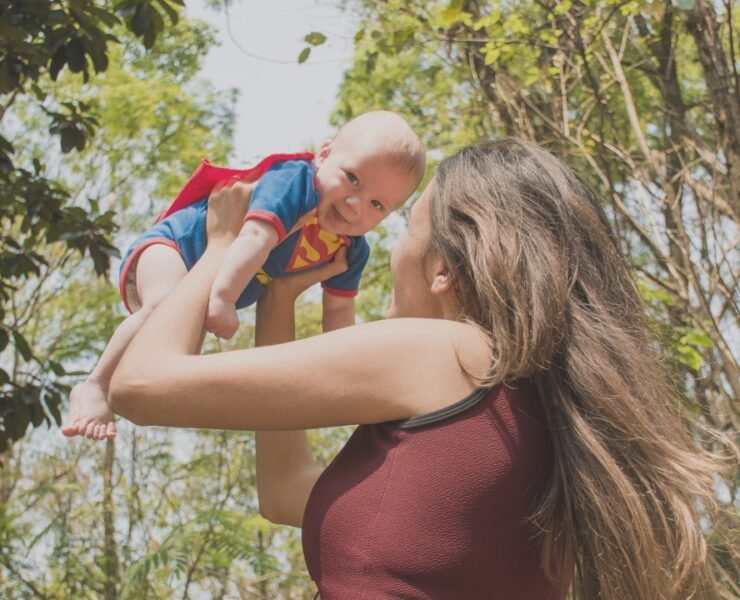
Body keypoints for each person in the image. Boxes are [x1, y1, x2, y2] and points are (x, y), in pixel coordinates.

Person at [108, 138, 721, 599]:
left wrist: (220, 246)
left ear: (443, 269)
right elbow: (286, 493)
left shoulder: (445, 352)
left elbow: (141, 385)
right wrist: (280, 297)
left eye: (406, 226)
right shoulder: (538, 409)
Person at [62, 110, 425, 441]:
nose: (355, 205)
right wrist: (223, 297)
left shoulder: (351, 249)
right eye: (352, 179)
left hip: (207, 282)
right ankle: (95, 384)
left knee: (176, 355)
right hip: (176, 246)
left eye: (377, 204)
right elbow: (254, 237)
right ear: (325, 154)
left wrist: (351, 374)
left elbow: (340, 315)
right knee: (162, 304)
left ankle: (127, 391)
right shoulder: (294, 183)